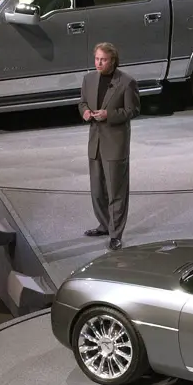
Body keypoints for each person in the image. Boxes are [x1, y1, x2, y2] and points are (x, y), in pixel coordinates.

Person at [78, 43, 140, 251]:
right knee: (97, 190)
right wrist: (85, 112)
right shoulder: (88, 79)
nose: (98, 63)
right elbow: (82, 103)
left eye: (103, 60)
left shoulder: (127, 82)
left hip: (115, 143)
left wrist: (109, 115)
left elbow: (133, 110)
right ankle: (104, 225)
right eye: (96, 59)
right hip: (95, 142)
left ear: (112, 60)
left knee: (116, 191)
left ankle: (115, 233)